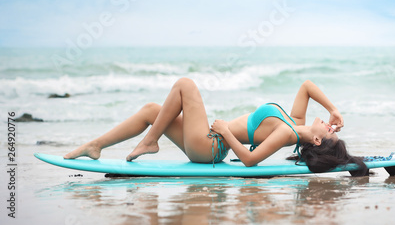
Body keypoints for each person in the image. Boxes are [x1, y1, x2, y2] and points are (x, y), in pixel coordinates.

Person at [64, 77, 366, 174]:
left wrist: (223, 132)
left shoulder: (286, 133)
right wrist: (334, 109)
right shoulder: (295, 123)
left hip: (210, 146)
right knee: (152, 111)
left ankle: (149, 142)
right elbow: (306, 86)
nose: (329, 125)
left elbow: (249, 161)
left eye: (329, 131)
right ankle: (96, 146)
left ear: (316, 142)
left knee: (185, 85)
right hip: (208, 141)